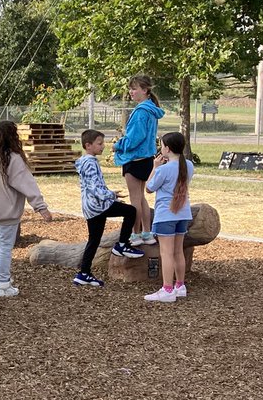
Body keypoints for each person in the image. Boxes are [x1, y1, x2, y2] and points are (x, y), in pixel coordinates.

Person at [0, 120, 53, 297]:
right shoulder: (12, 159)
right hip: (6, 210)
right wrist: (41, 207)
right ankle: (3, 284)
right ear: (13, 137)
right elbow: (27, 184)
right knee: (5, 247)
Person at [73, 129, 144, 286]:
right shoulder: (90, 163)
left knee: (94, 240)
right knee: (131, 211)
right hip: (98, 206)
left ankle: (84, 273)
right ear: (88, 145)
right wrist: (110, 195)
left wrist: (111, 194)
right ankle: (122, 245)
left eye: (102, 143)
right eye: (99, 143)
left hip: (92, 206)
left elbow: (94, 186)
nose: (103, 146)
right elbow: (94, 188)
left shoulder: (85, 161)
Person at [112, 74, 164, 245]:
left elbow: (135, 138)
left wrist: (118, 145)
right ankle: (147, 233)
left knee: (135, 199)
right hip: (146, 159)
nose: (131, 92)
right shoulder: (150, 109)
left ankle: (136, 235)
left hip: (134, 160)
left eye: (134, 89)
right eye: (130, 88)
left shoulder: (141, 112)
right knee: (141, 198)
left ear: (145, 90)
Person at [143, 131, 195, 303]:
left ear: (167, 148)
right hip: (183, 213)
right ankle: (180, 285)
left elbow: (149, 188)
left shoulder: (163, 170)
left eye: (162, 145)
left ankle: (167, 289)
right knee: (178, 251)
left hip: (166, 215)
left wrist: (154, 167)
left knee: (166, 253)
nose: (160, 148)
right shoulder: (188, 165)